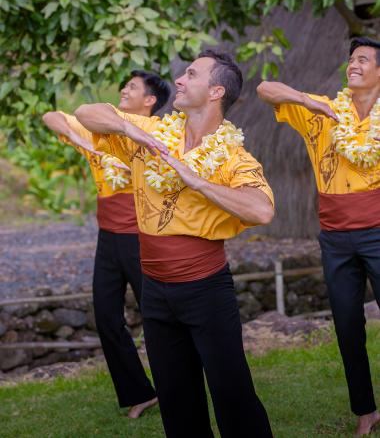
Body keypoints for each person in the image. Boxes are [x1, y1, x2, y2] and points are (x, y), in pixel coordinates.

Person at [74, 50, 275, 438]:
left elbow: (262, 210)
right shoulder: (151, 137)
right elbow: (86, 113)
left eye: (191, 74)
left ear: (216, 91)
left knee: (233, 396)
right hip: (155, 290)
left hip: (205, 290)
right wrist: (131, 129)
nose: (179, 81)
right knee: (176, 398)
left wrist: (198, 182)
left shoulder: (233, 155)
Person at [257, 36, 380, 437]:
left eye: (363, 59)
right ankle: (365, 410)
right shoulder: (320, 112)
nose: (353, 64)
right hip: (335, 238)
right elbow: (264, 89)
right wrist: (311, 103)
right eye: (351, 59)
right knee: (346, 325)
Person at [42, 70, 171, 418]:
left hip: (143, 237)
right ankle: (140, 392)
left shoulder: (158, 133)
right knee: (106, 316)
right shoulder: (101, 130)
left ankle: (175, 386)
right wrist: (77, 137)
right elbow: (51, 116)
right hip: (108, 238)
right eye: (124, 85)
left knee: (157, 315)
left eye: (132, 87)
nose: (123, 90)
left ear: (150, 101)